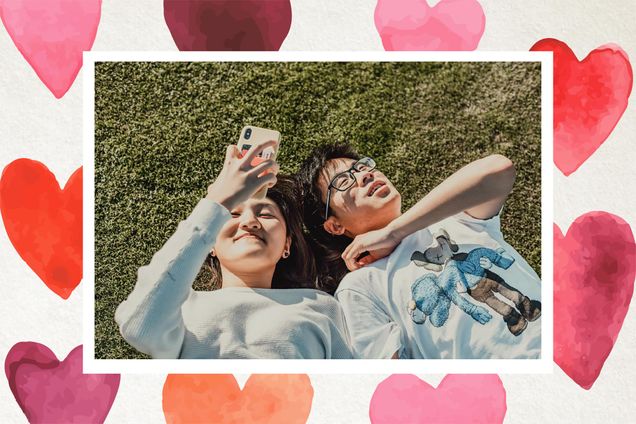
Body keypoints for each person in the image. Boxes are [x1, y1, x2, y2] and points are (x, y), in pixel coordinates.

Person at [297, 143, 541, 359]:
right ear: (335, 225)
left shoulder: (452, 218)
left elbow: (499, 169)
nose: (365, 176)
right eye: (343, 181)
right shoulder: (359, 286)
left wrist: (394, 232)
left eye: (361, 167)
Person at [116, 140, 353, 359]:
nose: (250, 222)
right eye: (233, 213)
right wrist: (218, 201)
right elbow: (139, 325)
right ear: (210, 244)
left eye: (266, 214)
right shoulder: (181, 307)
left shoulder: (321, 306)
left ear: (286, 246)